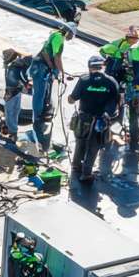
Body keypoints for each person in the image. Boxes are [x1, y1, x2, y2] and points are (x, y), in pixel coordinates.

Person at [68, 56, 120, 184]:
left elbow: (72, 99)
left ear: (90, 66)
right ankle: (86, 174)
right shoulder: (111, 81)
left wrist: (72, 97)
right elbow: (116, 102)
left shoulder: (84, 80)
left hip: (84, 117)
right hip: (100, 121)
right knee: (93, 147)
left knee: (80, 142)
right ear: (102, 66)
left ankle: (76, 165)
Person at [27, 22, 74, 145]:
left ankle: (41, 113)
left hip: (42, 66)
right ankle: (37, 118)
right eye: (72, 34)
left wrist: (53, 68)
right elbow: (56, 56)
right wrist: (59, 71)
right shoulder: (59, 38)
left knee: (44, 93)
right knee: (40, 93)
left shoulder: (55, 35)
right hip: (40, 67)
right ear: (68, 32)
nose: (71, 37)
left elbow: (46, 53)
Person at [1, 48, 32, 142]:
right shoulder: (15, 67)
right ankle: (12, 133)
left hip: (13, 92)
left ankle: (13, 132)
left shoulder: (13, 67)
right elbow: (21, 79)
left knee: (13, 112)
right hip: (13, 92)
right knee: (12, 112)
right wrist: (26, 83)